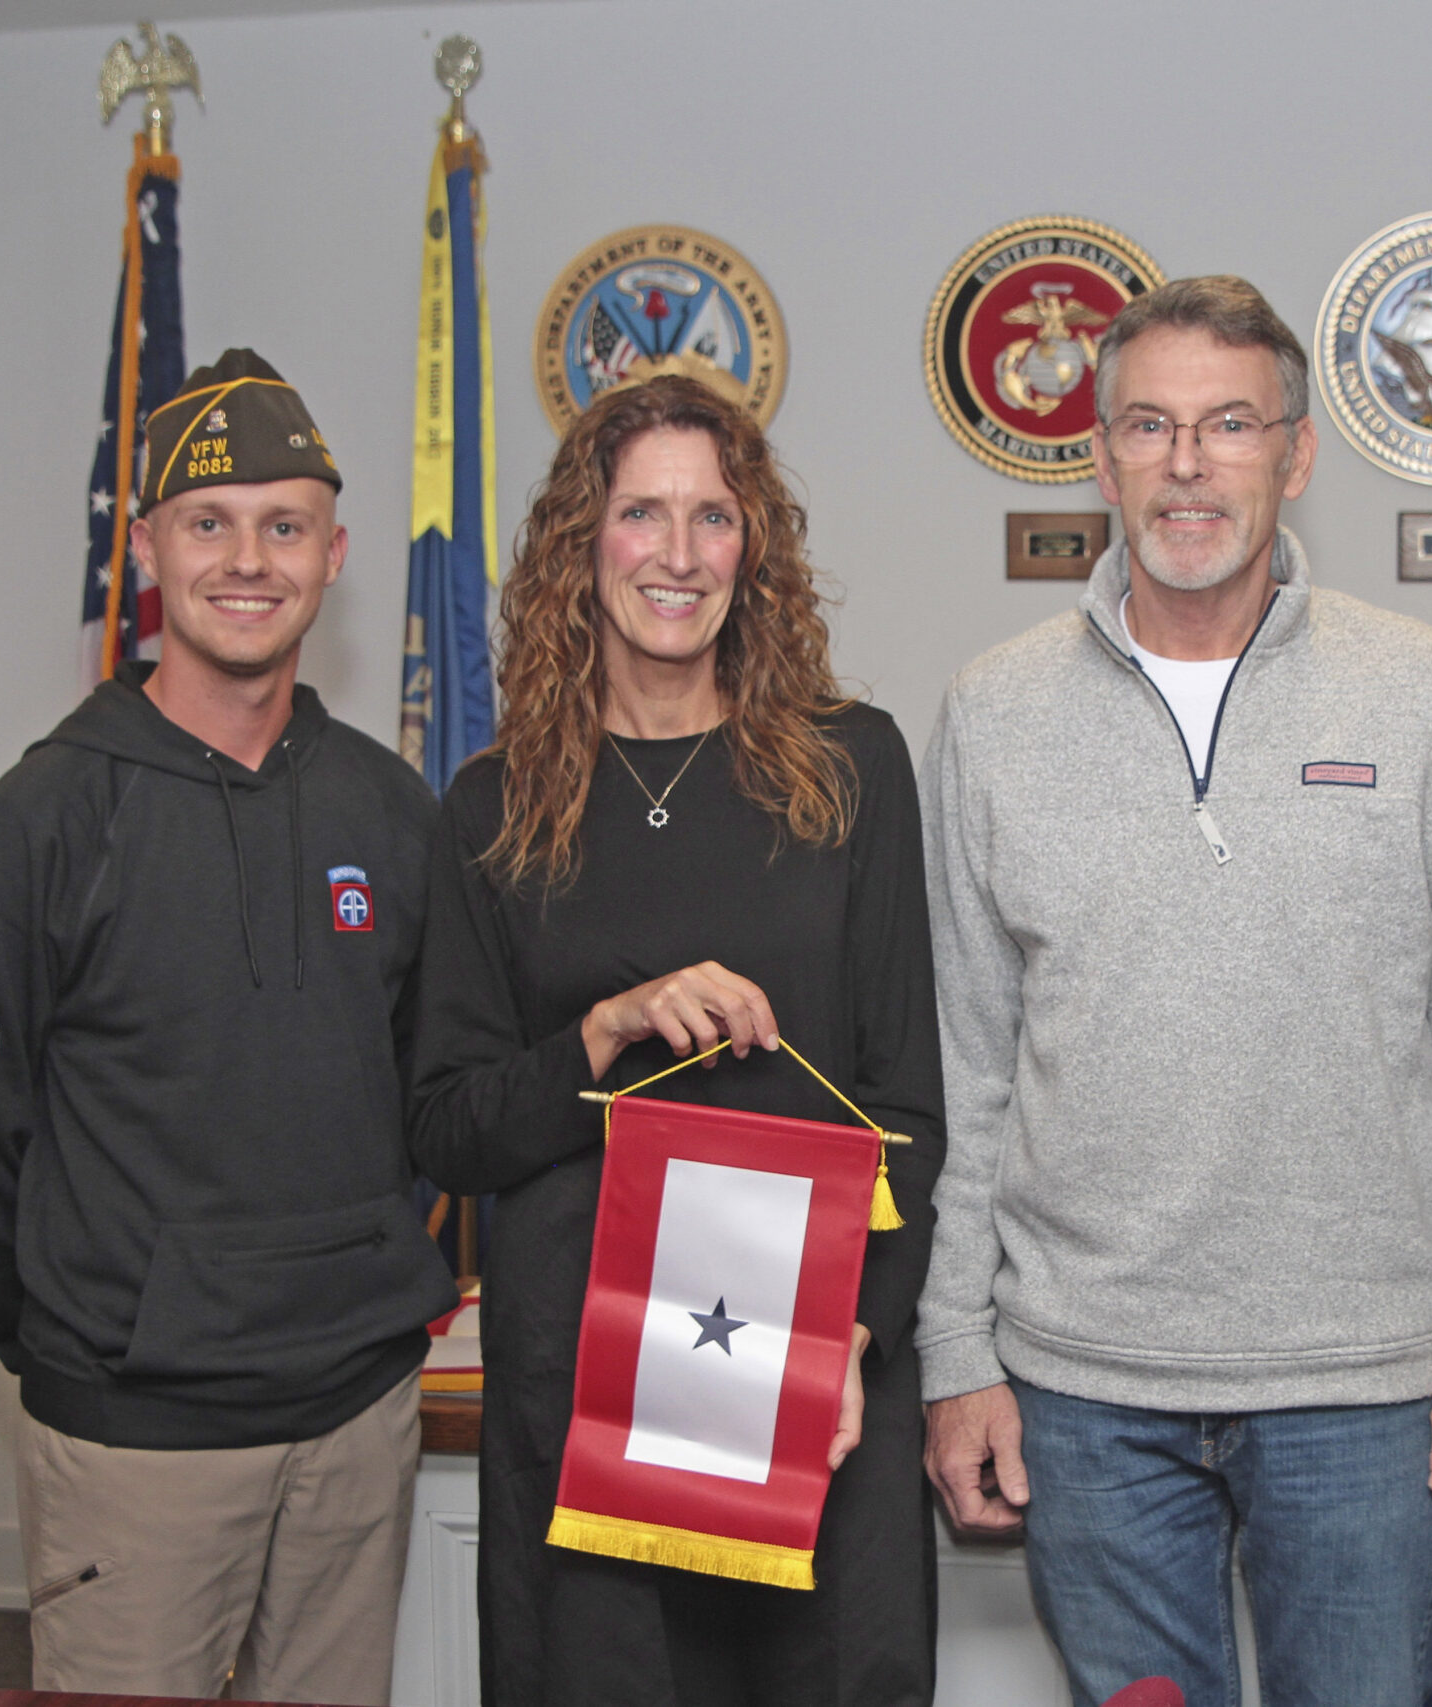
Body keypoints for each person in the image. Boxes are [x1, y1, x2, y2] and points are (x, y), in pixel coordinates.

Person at [915, 276, 1432, 1707]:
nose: (1189, 461)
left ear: (1297, 451)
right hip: (1084, 1384)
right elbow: (968, 1062)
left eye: (1228, 424)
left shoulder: (1427, 691)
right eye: (1149, 424)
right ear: (1100, 455)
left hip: (1360, 1381)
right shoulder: (993, 710)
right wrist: (957, 1345)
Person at [0, 349, 457, 1704]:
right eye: (209, 522)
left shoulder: (392, 813)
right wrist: (81, 1328)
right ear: (148, 548)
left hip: (356, 1420)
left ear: (333, 554)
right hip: (135, 1442)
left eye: (283, 524)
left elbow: (431, 1087)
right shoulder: (35, 823)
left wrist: (377, 1259)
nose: (247, 558)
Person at [408, 374, 944, 1707]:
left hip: (820, 1385)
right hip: (588, 1395)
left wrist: (854, 1342)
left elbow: (909, 1105)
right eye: (641, 512)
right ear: (579, 547)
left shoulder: (850, 771)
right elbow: (449, 1124)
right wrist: (602, 1027)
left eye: (714, 515)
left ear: (752, 544)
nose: (679, 552)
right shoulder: (494, 806)